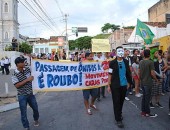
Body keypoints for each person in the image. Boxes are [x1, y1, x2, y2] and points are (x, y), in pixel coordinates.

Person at [11, 57, 40, 130]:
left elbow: (36, 68)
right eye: (22, 62)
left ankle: (36, 120)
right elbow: (17, 85)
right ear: (18, 64)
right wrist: (27, 80)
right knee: (23, 113)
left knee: (35, 108)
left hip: (30, 94)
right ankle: (26, 127)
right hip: (22, 95)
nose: (24, 63)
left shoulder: (27, 69)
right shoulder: (14, 74)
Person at [108, 46, 132, 128]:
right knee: (116, 102)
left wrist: (129, 82)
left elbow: (128, 72)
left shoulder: (125, 61)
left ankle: (119, 112)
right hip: (115, 85)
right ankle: (118, 119)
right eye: (119, 51)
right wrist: (108, 85)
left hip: (124, 85)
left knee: (121, 101)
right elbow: (109, 74)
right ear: (116, 52)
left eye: (122, 51)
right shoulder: (112, 63)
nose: (121, 53)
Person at [139, 49, 158, 117]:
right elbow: (152, 73)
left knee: (144, 97)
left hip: (143, 82)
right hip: (148, 82)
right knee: (147, 98)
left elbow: (139, 72)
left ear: (144, 55)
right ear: (149, 55)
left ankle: (143, 112)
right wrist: (156, 80)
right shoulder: (150, 62)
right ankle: (147, 112)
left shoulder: (141, 62)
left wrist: (140, 79)